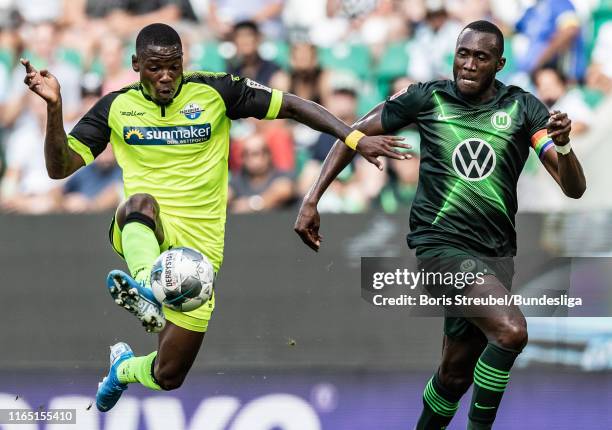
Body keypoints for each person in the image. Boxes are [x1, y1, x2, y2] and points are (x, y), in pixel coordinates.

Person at [21, 22, 407, 413]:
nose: (166, 76)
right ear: (136, 64)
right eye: (155, 68)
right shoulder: (116, 108)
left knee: (168, 375)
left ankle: (123, 369)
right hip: (147, 231)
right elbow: (60, 167)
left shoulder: (215, 92)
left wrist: (353, 138)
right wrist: (54, 107)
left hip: (199, 257)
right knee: (139, 203)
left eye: (174, 66)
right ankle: (143, 288)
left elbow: (291, 104)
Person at [294, 20, 586, 430]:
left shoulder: (522, 108)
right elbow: (356, 132)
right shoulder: (427, 98)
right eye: (462, 54)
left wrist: (565, 145)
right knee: (511, 331)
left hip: (495, 255)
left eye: (480, 57)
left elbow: (572, 187)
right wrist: (312, 198)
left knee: (454, 376)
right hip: (441, 248)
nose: (468, 65)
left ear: (499, 64)